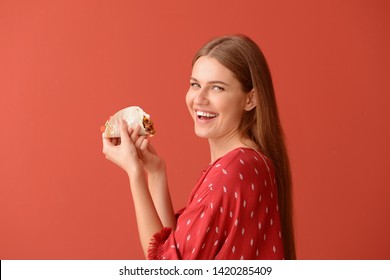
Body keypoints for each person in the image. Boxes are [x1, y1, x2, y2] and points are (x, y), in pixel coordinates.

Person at [102, 34, 296, 260]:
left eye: (217, 88)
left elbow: (164, 267)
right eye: (195, 84)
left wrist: (134, 173)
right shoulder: (250, 164)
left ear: (250, 99)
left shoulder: (232, 172)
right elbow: (177, 246)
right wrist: (156, 173)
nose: (199, 99)